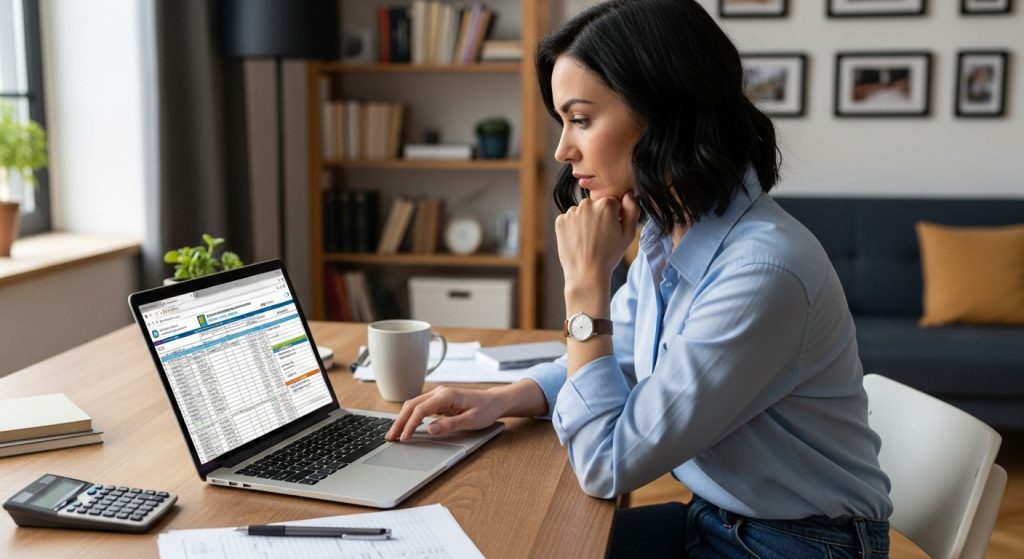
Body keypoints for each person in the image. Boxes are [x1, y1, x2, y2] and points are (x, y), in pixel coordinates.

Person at [386, 1, 893, 556]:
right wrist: (504, 398)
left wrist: (584, 288)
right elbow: (623, 355)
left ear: (664, 111)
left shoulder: (760, 273)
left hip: (795, 544)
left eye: (580, 119)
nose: (562, 149)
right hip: (718, 520)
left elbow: (607, 464)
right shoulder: (669, 229)